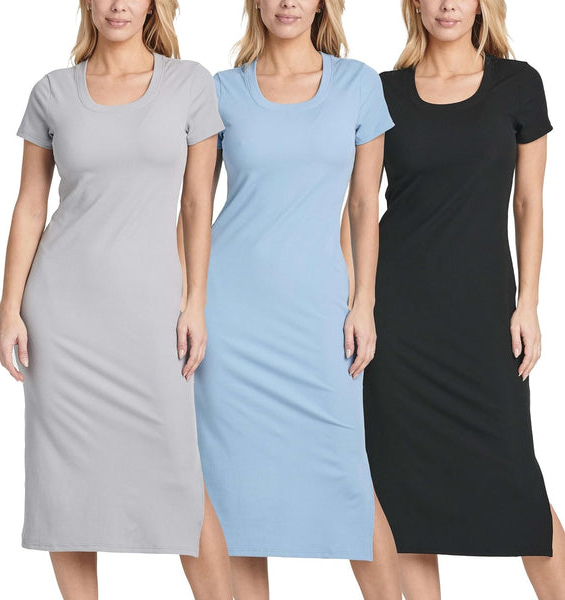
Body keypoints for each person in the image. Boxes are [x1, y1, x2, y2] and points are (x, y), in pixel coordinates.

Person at [0, 1, 232, 598]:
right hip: (61, 318)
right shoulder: (52, 91)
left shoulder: (190, 84)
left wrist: (195, 303)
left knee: (180, 478)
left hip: (153, 314)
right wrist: (8, 309)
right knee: (66, 488)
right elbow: (30, 204)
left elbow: (197, 204)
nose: (119, 4)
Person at [190, 0, 401, 598]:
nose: (287, 3)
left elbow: (365, 204)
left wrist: (364, 303)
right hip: (230, 319)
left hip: (318, 315)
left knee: (350, 483)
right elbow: (195, 207)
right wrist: (191, 303)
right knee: (236, 494)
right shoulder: (222, 90)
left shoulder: (357, 84)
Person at [357, 0, 565, 597]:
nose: (447, 4)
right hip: (399, 322)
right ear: (414, 5)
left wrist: (528, 303)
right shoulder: (384, 92)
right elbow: (362, 206)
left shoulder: (518, 84)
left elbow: (529, 202)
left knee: (519, 490)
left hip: (484, 317)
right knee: (406, 499)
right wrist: (360, 304)